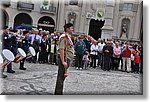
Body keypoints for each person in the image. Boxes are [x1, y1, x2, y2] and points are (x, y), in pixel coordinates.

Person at [54, 23, 74, 95]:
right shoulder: (64, 37)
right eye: (71, 28)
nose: (72, 29)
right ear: (67, 29)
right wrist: (63, 61)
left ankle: (59, 92)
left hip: (67, 58)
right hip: (65, 58)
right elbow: (62, 49)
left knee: (62, 77)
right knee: (61, 77)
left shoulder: (68, 37)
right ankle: (58, 93)